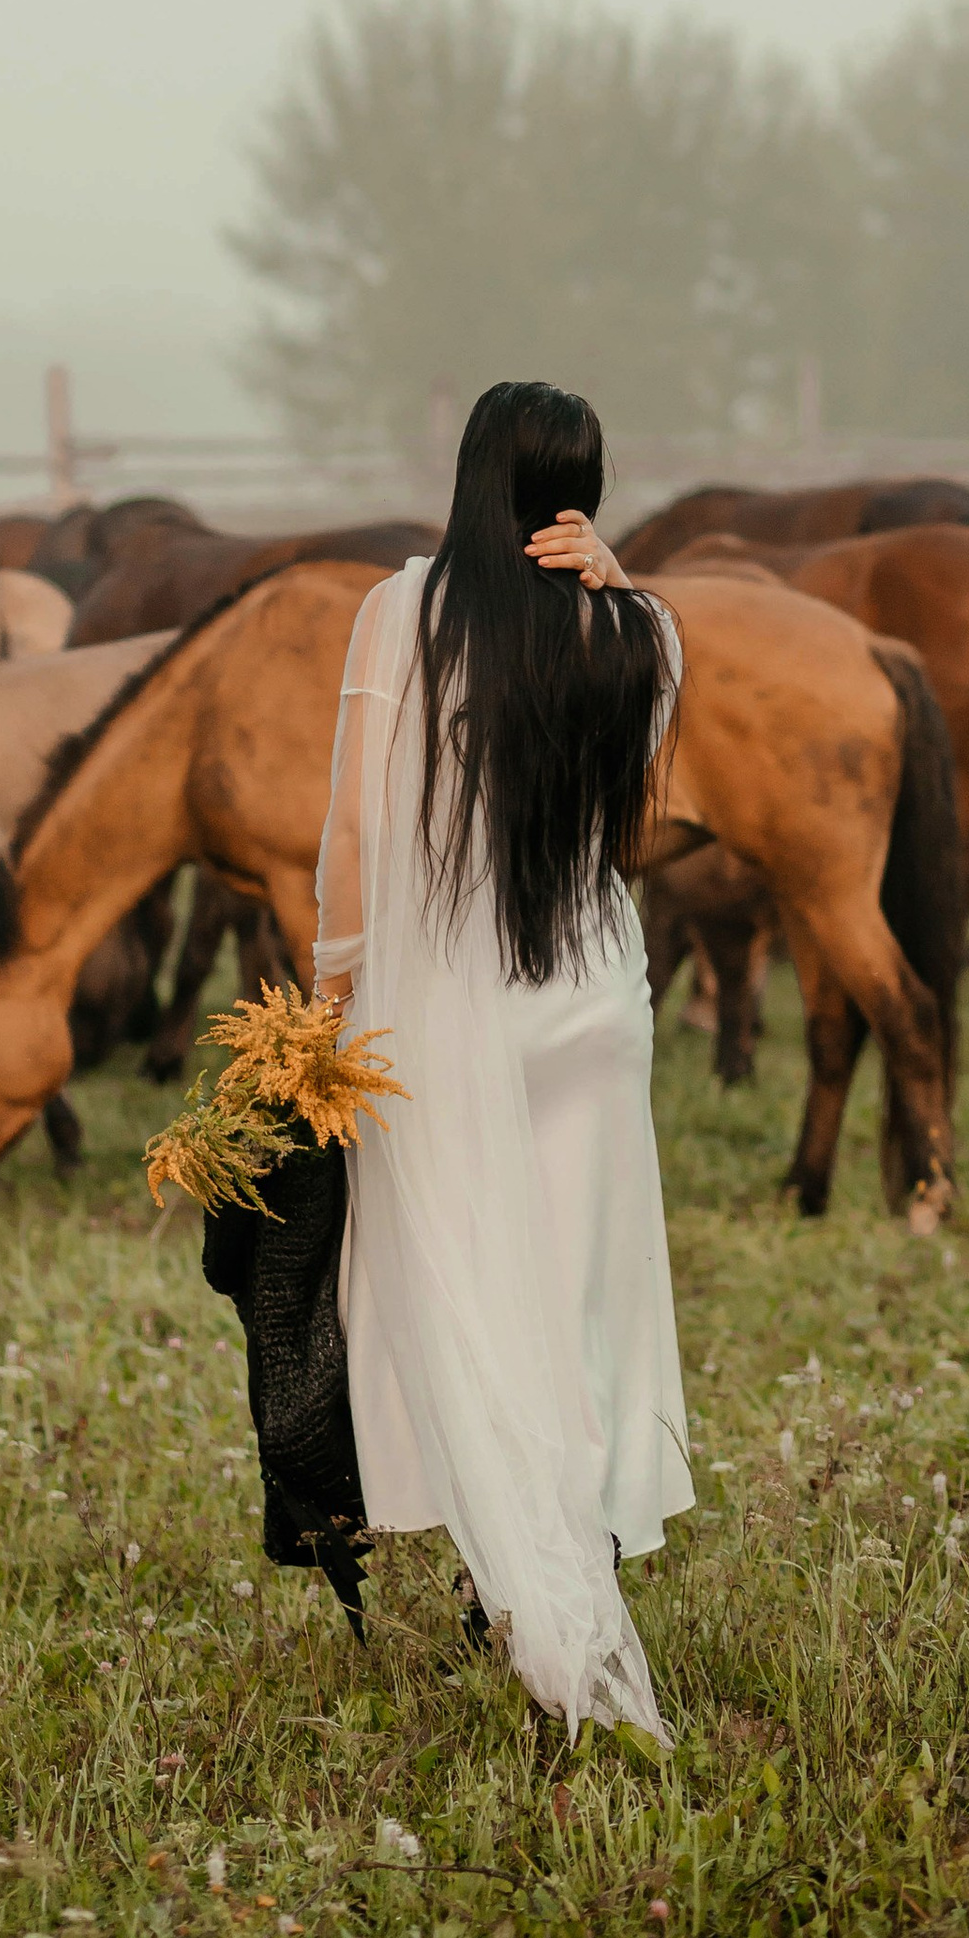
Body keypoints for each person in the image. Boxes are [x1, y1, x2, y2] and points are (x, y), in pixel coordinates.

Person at [313, 378, 691, 1744]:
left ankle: (523, 1584)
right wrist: (622, 582)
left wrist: (324, 994)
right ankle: (553, 1553)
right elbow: (636, 789)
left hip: (459, 1017)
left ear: (473, 473)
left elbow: (357, 840)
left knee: (471, 1289)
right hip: (594, 1004)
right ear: (585, 484)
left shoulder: (400, 610)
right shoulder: (638, 631)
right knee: (583, 1294)